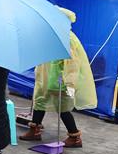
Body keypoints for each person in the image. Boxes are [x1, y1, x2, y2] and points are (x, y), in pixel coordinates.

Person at [20, 8, 97, 147]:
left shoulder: (68, 38)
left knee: (63, 108)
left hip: (60, 80)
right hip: (46, 77)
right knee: (39, 102)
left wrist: (69, 83)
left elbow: (73, 64)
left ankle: (75, 138)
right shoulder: (52, 36)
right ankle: (34, 131)